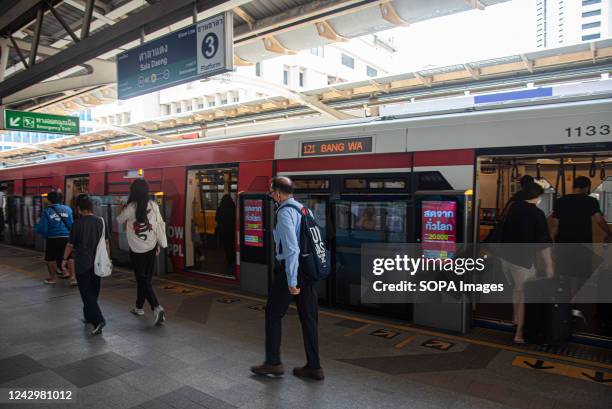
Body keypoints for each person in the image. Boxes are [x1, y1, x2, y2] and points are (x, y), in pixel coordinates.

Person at [251, 176, 324, 381]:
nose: (271, 195)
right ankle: (314, 366)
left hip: (294, 271)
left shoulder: (284, 213)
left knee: (273, 313)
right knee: (309, 318)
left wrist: (292, 281)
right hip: (310, 272)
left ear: (280, 193)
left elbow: (292, 249)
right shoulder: (304, 209)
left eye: (272, 192)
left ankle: (273, 363)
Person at [500, 182, 554, 344]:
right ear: (536, 197)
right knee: (524, 295)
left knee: (517, 289)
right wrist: (550, 266)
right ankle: (519, 333)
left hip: (506, 258)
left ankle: (515, 318)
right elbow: (544, 243)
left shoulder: (512, 207)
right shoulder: (536, 213)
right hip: (523, 261)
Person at [116, 178, 167, 326]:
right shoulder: (153, 205)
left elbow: (119, 220)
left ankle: (156, 307)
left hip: (137, 249)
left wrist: (120, 206)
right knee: (144, 279)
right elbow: (158, 224)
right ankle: (139, 307)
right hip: (151, 246)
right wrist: (157, 242)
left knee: (142, 279)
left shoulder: (131, 207)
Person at [61, 194, 107, 335]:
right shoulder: (100, 221)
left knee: (87, 294)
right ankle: (88, 316)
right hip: (98, 263)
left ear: (79, 208)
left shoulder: (77, 224)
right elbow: (106, 242)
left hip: (82, 264)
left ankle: (98, 320)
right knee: (93, 292)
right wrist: (107, 259)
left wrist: (64, 260)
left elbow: (70, 244)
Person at [549, 176, 610, 244]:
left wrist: (550, 242)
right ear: (587, 188)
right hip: (583, 241)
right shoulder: (591, 201)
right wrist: (609, 233)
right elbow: (599, 220)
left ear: (573, 187)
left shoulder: (560, 201)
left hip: (563, 242)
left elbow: (555, 226)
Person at [36, 191, 76, 286]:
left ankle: (52, 278)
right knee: (69, 258)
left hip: (53, 238)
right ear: (61, 199)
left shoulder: (47, 211)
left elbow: (43, 228)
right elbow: (71, 224)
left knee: (50, 259)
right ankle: (73, 278)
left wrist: (44, 235)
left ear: (49, 200)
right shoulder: (68, 209)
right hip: (66, 238)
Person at [215, 193, 236, 274]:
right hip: (231, 230)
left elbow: (216, 218)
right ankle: (233, 258)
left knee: (226, 245)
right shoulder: (233, 207)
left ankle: (229, 260)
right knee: (232, 244)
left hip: (223, 230)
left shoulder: (220, 208)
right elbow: (235, 218)